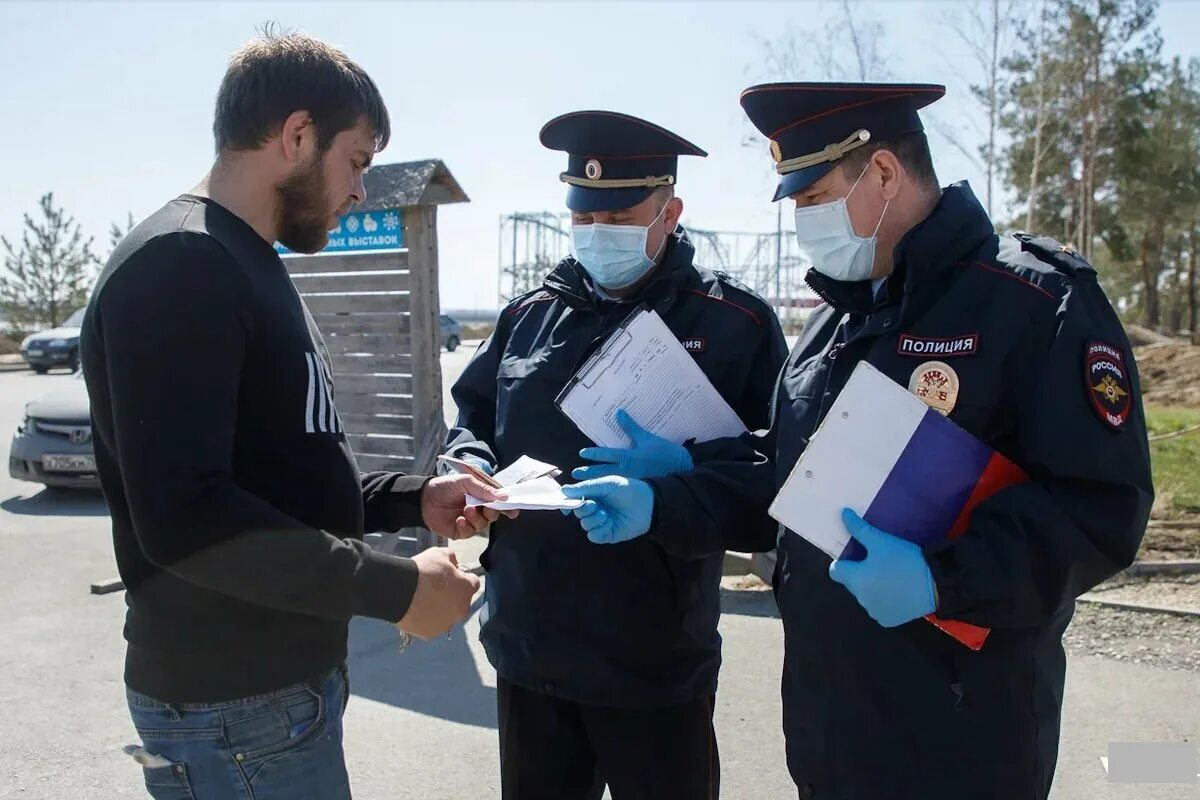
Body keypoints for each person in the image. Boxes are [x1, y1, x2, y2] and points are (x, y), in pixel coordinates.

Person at [574, 82, 1155, 800]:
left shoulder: (1035, 303)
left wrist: (945, 580)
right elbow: (788, 484)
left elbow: (1099, 507)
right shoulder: (830, 330)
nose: (803, 223)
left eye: (814, 199)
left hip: (962, 740)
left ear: (882, 174)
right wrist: (676, 488)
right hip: (832, 734)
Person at [81, 31, 508, 800]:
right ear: (297, 136)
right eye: (358, 162)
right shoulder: (182, 264)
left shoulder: (242, 261)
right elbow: (186, 516)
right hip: (231, 710)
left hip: (267, 704)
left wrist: (414, 499)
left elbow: (278, 473)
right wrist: (397, 589)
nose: (359, 191)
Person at [442, 110, 787, 800]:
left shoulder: (733, 323)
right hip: (529, 651)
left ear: (670, 211)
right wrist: (468, 460)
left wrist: (690, 472)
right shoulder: (527, 315)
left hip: (654, 665)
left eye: (621, 216)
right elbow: (473, 416)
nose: (599, 234)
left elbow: (779, 474)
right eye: (585, 217)